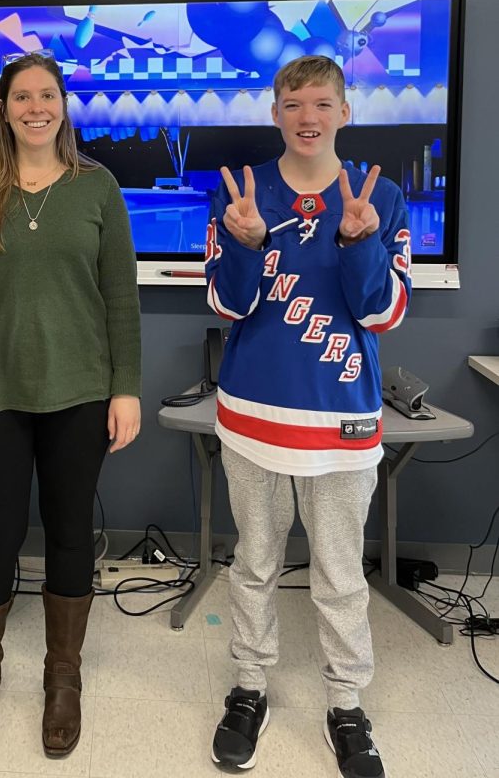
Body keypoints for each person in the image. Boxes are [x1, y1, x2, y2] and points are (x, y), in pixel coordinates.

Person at [0, 51, 141, 758]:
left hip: (80, 391)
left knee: (71, 532)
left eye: (47, 95)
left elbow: (121, 299)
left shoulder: (97, 188)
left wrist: (127, 387)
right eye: (22, 97)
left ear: (63, 105)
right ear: (4, 108)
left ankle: (63, 677)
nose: (36, 107)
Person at [205, 55, 411, 778]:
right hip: (254, 417)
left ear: (345, 113)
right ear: (276, 112)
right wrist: (248, 244)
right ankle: (250, 687)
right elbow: (228, 306)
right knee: (254, 564)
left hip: (344, 422)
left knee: (340, 573)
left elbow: (382, 312)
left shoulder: (379, 198)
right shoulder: (241, 193)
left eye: (322, 103)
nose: (308, 116)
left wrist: (359, 244)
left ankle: (347, 704)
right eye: (293, 103)